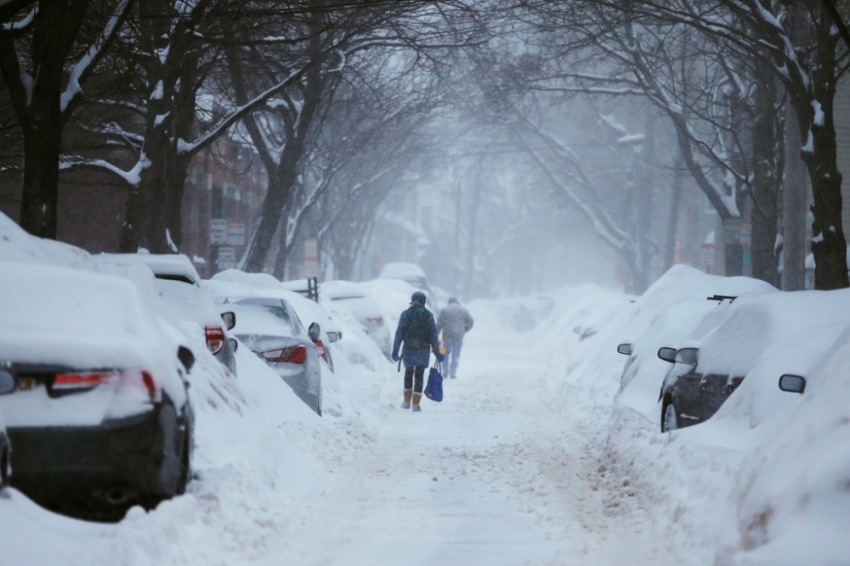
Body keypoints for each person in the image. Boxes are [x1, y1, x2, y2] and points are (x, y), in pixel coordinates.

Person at [391, 291, 444, 412]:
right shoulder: (428, 315)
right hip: (422, 350)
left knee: (408, 374)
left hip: (408, 349)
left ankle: (406, 401)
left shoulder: (405, 314)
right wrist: (437, 352)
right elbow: (433, 336)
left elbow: (399, 333)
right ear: (424, 302)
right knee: (419, 375)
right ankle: (416, 404)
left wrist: (395, 350)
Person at [436, 297, 473, 379]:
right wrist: (464, 330)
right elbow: (471, 321)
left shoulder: (445, 310)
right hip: (458, 336)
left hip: (447, 336)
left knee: (445, 354)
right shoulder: (463, 310)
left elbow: (439, 324)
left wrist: (435, 335)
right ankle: (453, 372)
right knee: (455, 355)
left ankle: (445, 371)